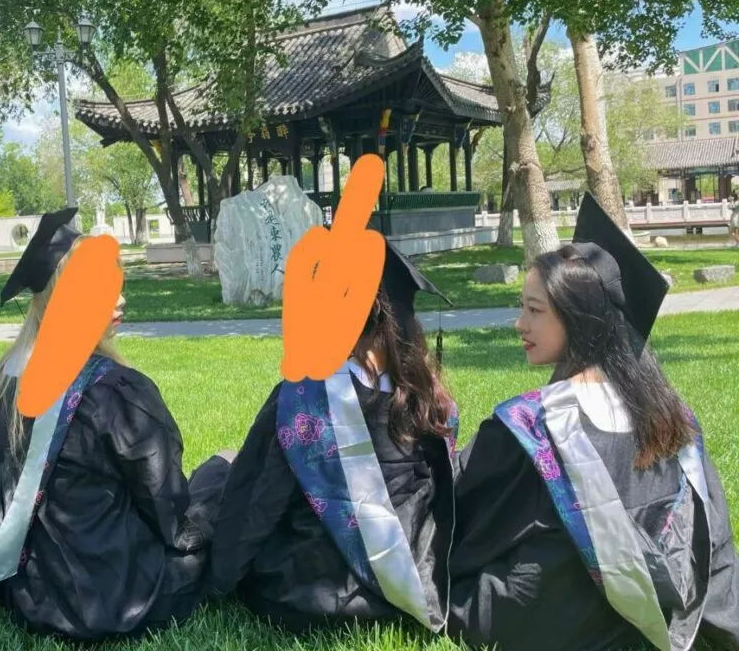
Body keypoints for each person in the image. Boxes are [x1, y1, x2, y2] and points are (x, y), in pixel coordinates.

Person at [448, 192, 739, 651]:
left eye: (534, 310)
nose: (519, 324)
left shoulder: (530, 423)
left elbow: (463, 512)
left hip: (552, 616)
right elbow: (711, 537)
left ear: (578, 319)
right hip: (654, 608)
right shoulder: (671, 415)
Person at [0, 208, 233, 641]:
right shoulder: (115, 393)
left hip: (31, 594)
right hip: (116, 597)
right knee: (225, 471)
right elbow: (167, 513)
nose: (120, 300)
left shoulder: (2, 382)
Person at [207, 241, 459, 635]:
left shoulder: (303, 398)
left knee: (220, 470)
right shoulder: (432, 400)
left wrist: (220, 576)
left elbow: (259, 500)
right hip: (401, 591)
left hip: (305, 595)